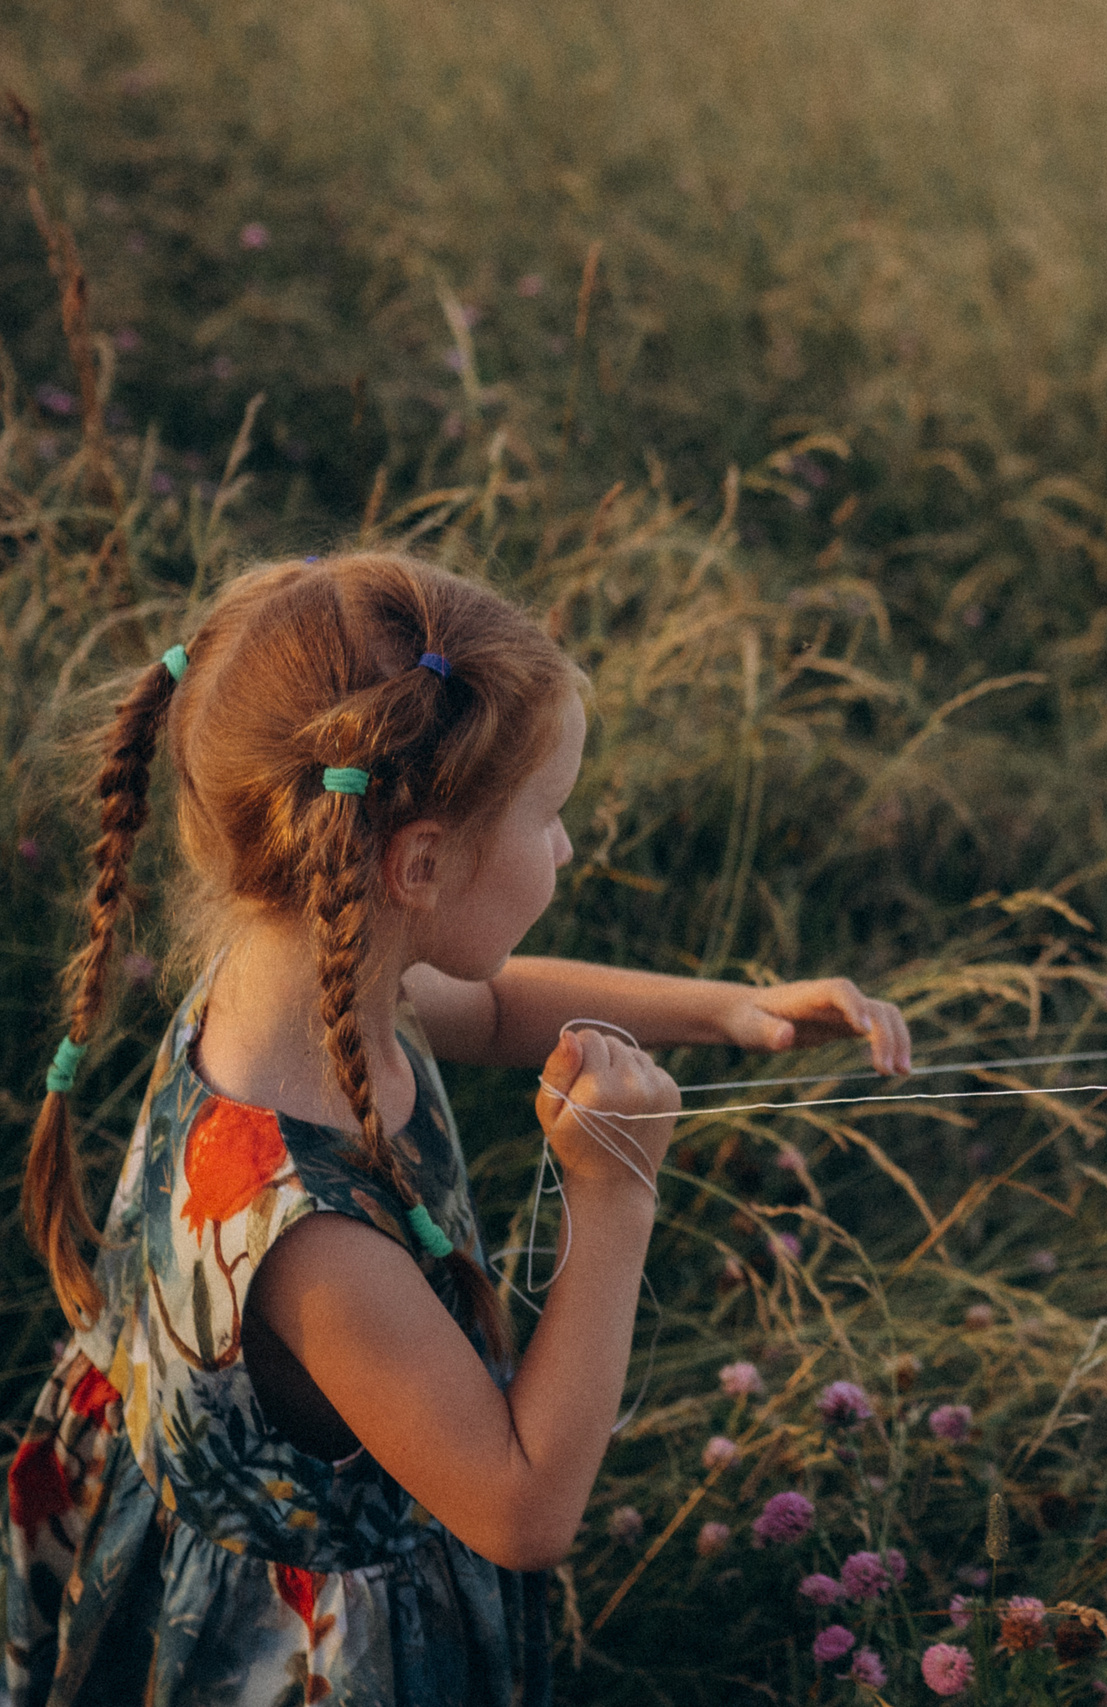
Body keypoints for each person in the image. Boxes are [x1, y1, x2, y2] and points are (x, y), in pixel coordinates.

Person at [5, 552, 912, 1705]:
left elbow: (486, 1007)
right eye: (550, 816)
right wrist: (615, 1194)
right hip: (292, 1638)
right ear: (420, 862)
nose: (569, 849)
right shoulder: (314, 1245)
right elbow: (522, 1509)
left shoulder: (305, 967)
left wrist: (732, 1012)